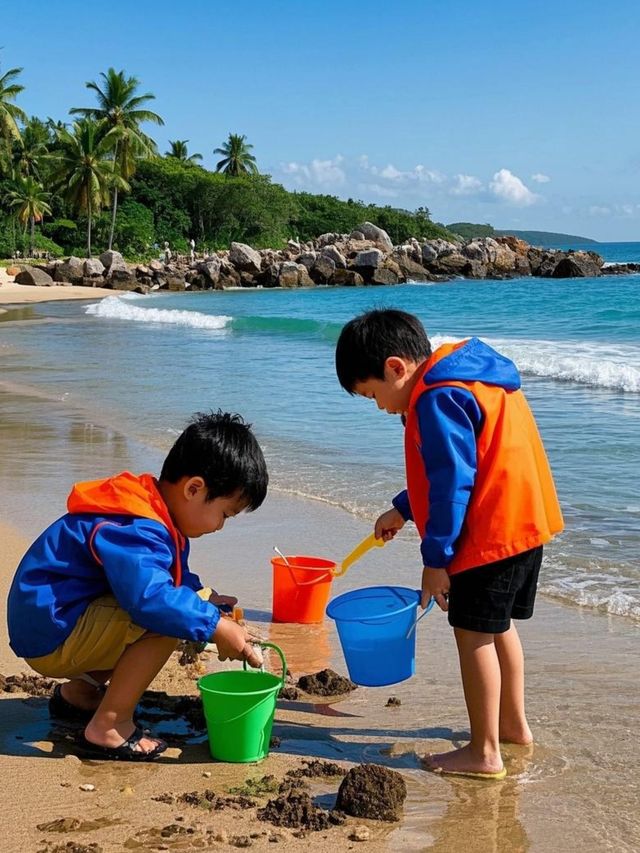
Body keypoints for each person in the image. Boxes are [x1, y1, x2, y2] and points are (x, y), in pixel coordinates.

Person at [335, 309, 563, 780]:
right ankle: (513, 727)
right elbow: (464, 464)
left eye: (373, 394)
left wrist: (435, 560)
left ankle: (484, 753)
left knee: (472, 636)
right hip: (524, 527)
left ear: (397, 367)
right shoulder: (474, 378)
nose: (380, 407)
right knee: (499, 629)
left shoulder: (435, 399)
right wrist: (403, 507)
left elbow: (451, 483)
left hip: (487, 537)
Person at [7, 411, 268, 762]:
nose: (221, 526)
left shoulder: (150, 510)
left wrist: (205, 598)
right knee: (163, 622)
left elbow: (163, 578)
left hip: (52, 618)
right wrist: (213, 624)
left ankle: (80, 696)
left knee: (176, 607)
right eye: (225, 514)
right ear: (194, 488)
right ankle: (109, 726)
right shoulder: (138, 525)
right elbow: (151, 599)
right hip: (52, 630)